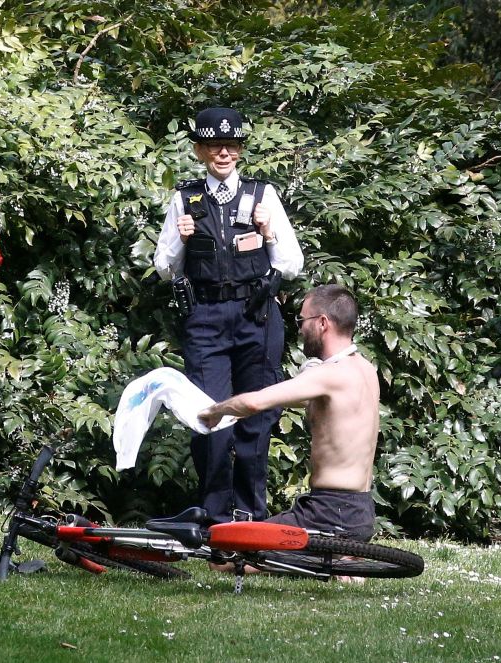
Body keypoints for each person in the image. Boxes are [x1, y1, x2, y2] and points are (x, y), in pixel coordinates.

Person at [153, 107, 304, 524]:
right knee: (209, 415)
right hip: (204, 316)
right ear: (200, 150)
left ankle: (252, 515)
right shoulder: (184, 199)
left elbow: (292, 264)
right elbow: (164, 268)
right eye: (215, 145)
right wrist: (180, 240)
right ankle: (216, 517)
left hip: (257, 314)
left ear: (240, 150)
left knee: (257, 414)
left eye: (232, 144)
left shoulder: (262, 195)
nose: (224, 152)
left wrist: (269, 232)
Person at [198, 284, 379, 542]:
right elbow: (316, 406)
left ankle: (337, 554)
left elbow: (255, 403)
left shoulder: (329, 375)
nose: (300, 328)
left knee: (224, 552)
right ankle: (341, 554)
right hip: (359, 512)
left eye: (303, 320)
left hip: (327, 513)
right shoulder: (365, 370)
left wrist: (213, 411)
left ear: (322, 323)